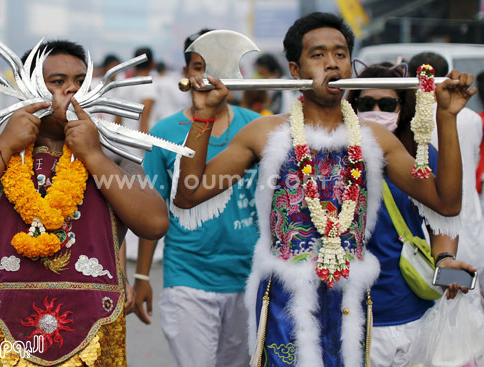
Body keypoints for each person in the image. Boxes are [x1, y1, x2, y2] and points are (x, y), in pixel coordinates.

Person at [173, 12, 474, 367]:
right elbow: (190, 193)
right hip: (286, 300)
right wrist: (204, 115)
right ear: (295, 71)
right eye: (318, 55)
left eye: (341, 54)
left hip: (352, 300)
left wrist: (447, 117)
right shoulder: (265, 133)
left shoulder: (374, 138)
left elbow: (446, 202)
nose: (332, 63)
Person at [0, 40, 169, 366]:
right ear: (27, 90)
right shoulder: (2, 154)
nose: (71, 90)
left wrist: (92, 154)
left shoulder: (113, 155)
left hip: (94, 331)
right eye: (57, 82)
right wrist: (3, 145)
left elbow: (155, 223)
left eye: (80, 81)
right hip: (9, 330)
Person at [132, 29, 261, 367]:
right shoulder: (164, 132)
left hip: (249, 280)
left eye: (219, 66)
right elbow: (152, 207)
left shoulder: (257, 129)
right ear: (187, 74)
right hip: (187, 277)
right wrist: (142, 276)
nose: (207, 76)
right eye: (199, 66)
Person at [346, 62, 476, 367]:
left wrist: (445, 260)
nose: (376, 110)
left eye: (386, 104)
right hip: (355, 319)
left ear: (402, 108)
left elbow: (442, 217)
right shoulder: (334, 157)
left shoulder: (420, 155)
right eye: (366, 104)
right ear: (352, 107)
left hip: (416, 313)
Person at [408, 52, 484, 308]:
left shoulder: (411, 118)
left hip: (432, 218)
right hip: (464, 214)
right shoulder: (472, 118)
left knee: (433, 292)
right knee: (466, 296)